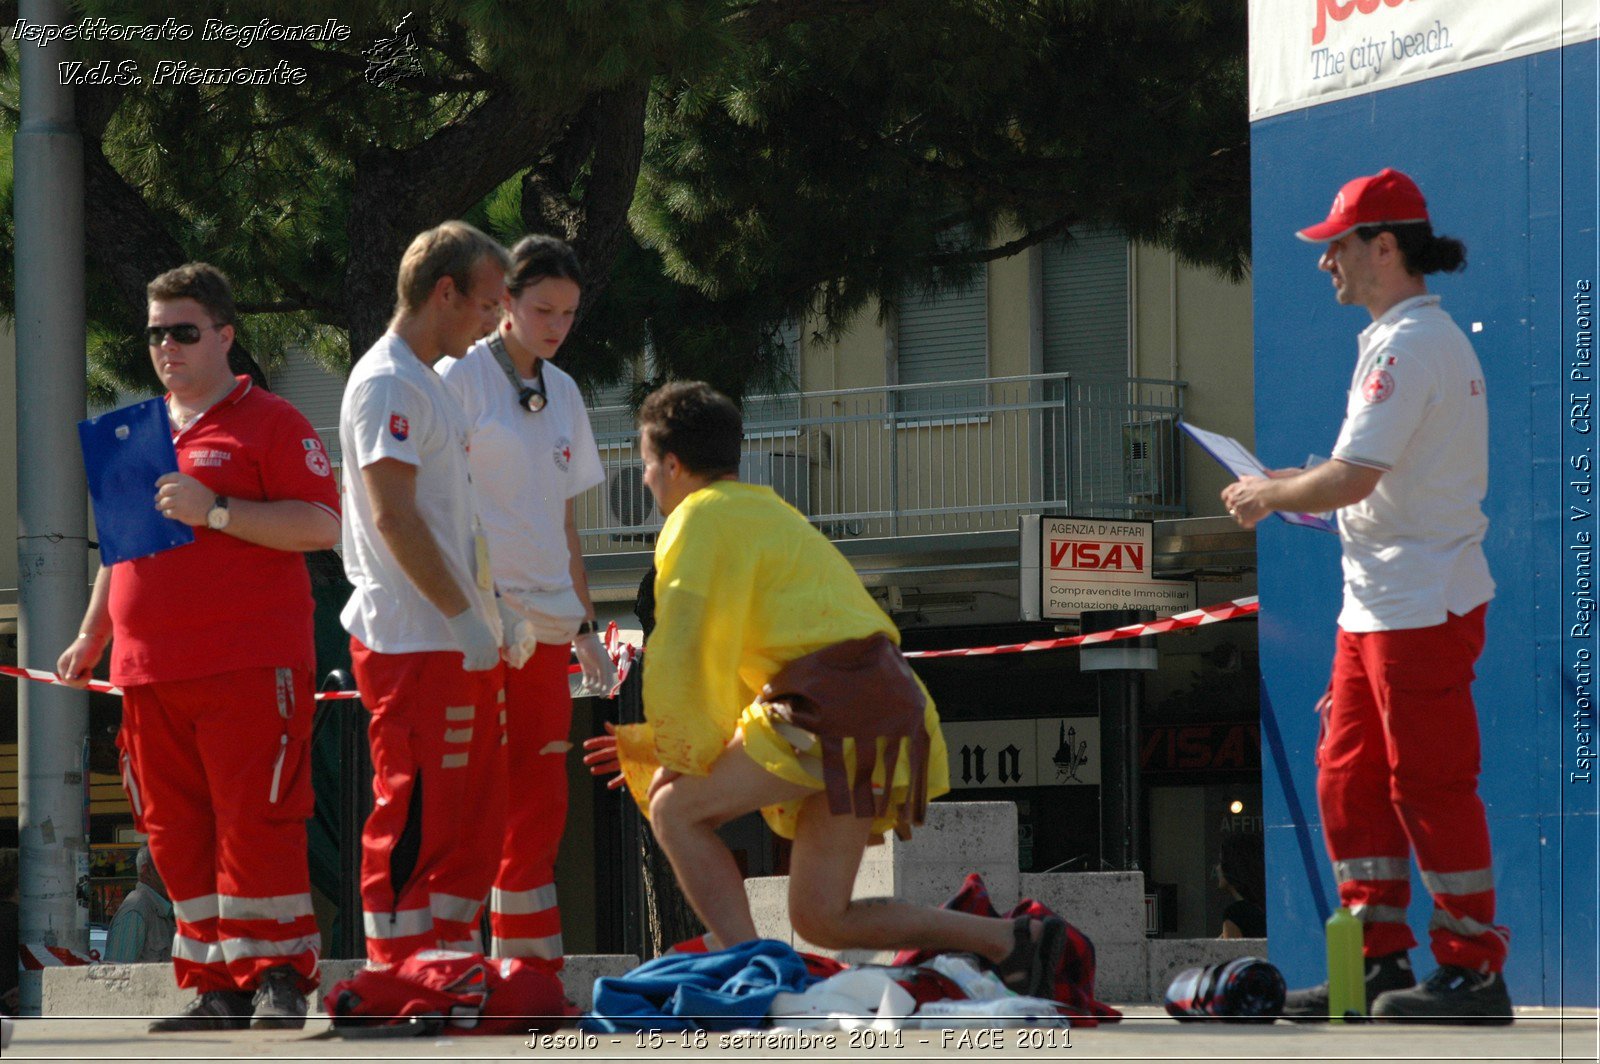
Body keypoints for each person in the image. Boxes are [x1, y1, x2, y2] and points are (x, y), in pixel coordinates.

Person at [583, 382, 1068, 997]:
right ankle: (1009, 941)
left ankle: (749, 970)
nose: (647, 481)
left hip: (828, 705)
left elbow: (690, 644)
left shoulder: (694, 518)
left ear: (672, 465)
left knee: (674, 808)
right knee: (820, 918)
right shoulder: (772, 511)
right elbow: (744, 660)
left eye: (647, 465)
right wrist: (663, 739)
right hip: (884, 706)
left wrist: (672, 747)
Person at [1221, 168, 1510, 1023]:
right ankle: (1380, 958)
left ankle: (1472, 969)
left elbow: (1351, 480)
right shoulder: (1408, 339)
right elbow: (1366, 480)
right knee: (1349, 776)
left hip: (1418, 603)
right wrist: (1289, 481)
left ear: (1385, 247)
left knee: (1429, 783)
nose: (1324, 263)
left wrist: (1271, 495)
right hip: (1384, 603)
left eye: (1336, 245)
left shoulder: (1407, 345)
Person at [55, 263, 341, 1031]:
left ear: (225, 336)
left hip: (250, 661)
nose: (166, 347)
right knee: (175, 837)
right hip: (148, 672)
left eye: (183, 331)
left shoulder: (271, 421)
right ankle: (215, 984)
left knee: (257, 820)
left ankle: (277, 974)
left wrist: (217, 511)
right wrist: (91, 637)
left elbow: (321, 524)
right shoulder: (135, 432)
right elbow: (119, 554)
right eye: (154, 334)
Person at [339, 221, 511, 966]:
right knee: (412, 812)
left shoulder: (425, 382)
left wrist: (488, 613)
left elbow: (447, 521)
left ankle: (442, 962)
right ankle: (398, 973)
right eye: (486, 304)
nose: (494, 321)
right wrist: (463, 616)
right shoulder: (388, 383)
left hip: (446, 635)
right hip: (413, 639)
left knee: (463, 817)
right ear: (445, 293)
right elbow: (394, 516)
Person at [436, 235, 611, 966]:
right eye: (542, 308)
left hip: (544, 626)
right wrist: (468, 608)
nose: (556, 326)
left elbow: (564, 520)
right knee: (469, 801)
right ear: (504, 301)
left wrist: (586, 626)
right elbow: (432, 506)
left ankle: (528, 974)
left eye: (568, 314)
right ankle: (451, 967)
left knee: (539, 804)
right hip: (476, 625)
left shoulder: (564, 391)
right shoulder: (457, 379)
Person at [103, 845, 177, 964]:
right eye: (166, 866)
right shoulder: (136, 911)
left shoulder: (160, 908)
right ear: (146, 871)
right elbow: (116, 974)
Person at [1215, 833, 1266, 940]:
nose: (1217, 868)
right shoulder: (1266, 908)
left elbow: (1232, 954)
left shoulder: (1236, 914)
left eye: (1221, 861)